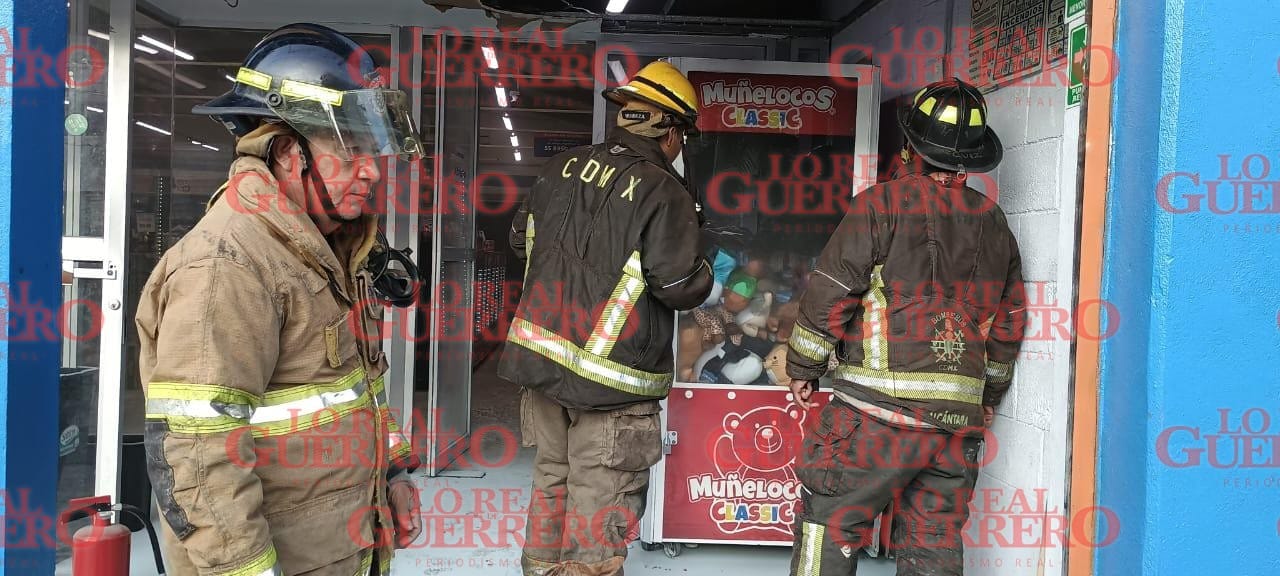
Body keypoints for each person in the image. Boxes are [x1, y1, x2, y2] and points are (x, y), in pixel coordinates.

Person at [135, 23, 423, 576]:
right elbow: (198, 457)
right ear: (289, 152)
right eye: (351, 149)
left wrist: (393, 474)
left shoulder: (330, 251)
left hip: (339, 547)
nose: (371, 169)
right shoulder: (227, 265)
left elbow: (360, 388)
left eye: (373, 149)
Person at [785, 78, 1027, 576]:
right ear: (971, 158)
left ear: (911, 147)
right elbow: (1008, 324)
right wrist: (988, 396)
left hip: (875, 415)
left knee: (829, 524)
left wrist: (804, 366)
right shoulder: (995, 222)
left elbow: (832, 290)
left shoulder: (879, 205)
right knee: (934, 542)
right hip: (953, 427)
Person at [499, 60, 715, 576]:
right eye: (683, 135)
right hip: (612, 381)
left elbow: (518, 242)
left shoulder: (561, 168)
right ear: (668, 130)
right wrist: (706, 258)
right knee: (601, 498)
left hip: (542, 364)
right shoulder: (664, 190)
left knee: (552, 480)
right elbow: (679, 286)